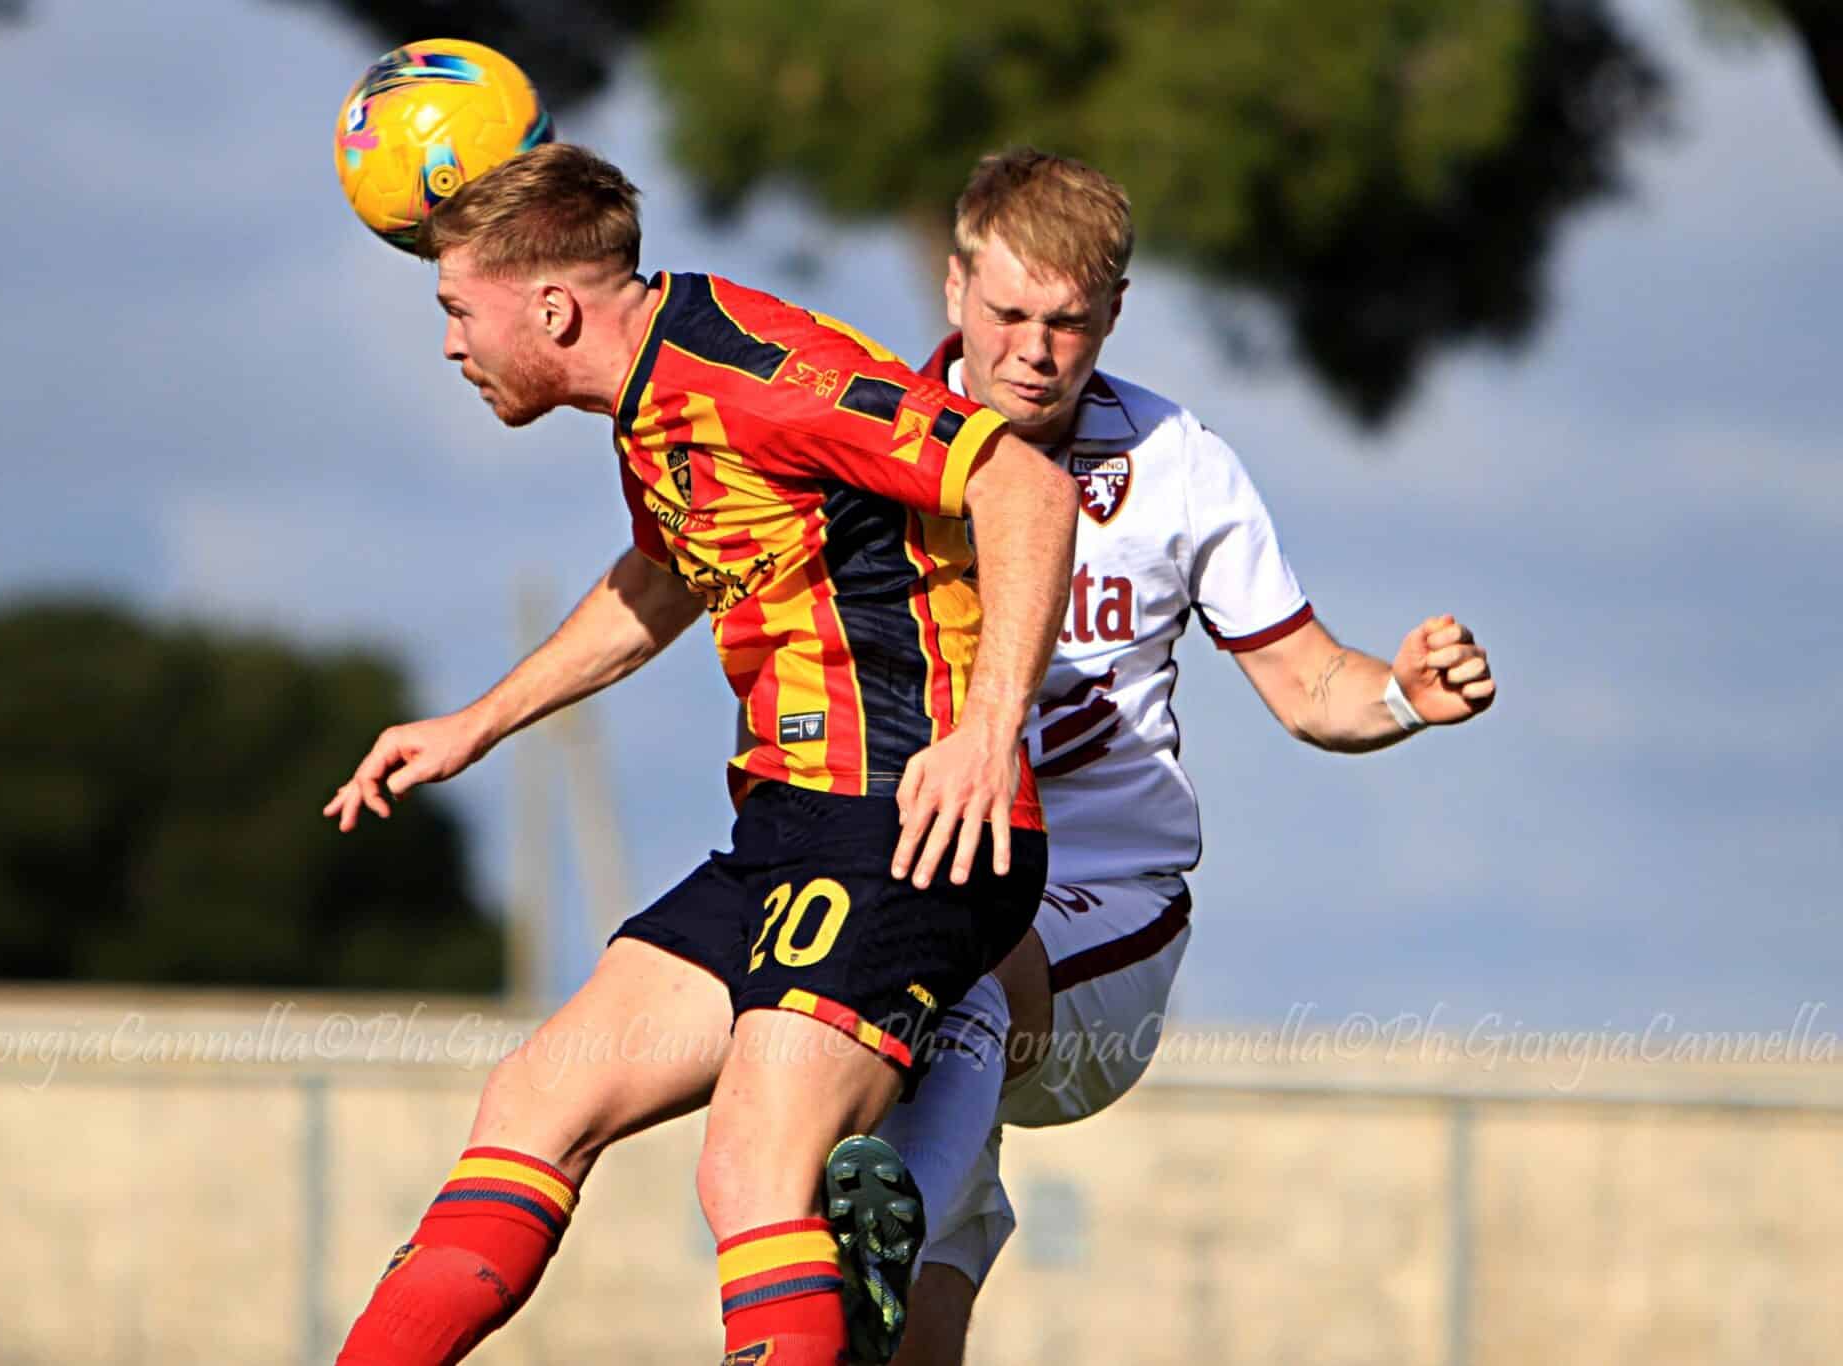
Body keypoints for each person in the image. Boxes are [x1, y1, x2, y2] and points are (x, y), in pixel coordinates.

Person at [318, 142, 1080, 1366]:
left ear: (550, 309)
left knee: (752, 1165)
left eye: (458, 309)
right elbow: (665, 572)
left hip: (900, 823)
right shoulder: (649, 395)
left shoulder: (751, 371)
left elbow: (1024, 488)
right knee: (534, 1099)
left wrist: (989, 732)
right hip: (788, 831)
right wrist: (477, 721)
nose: (450, 345)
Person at [869, 149, 1498, 1366]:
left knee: (950, 976)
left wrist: (1401, 695)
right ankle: (897, 1236)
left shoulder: (1176, 460)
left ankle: (871, 1236)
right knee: (899, 1268)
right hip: (923, 884)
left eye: (1066, 323)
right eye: (1007, 314)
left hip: (1098, 917)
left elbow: (1309, 683)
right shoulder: (869, 438)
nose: (1034, 352)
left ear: (1112, 313)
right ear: (953, 288)